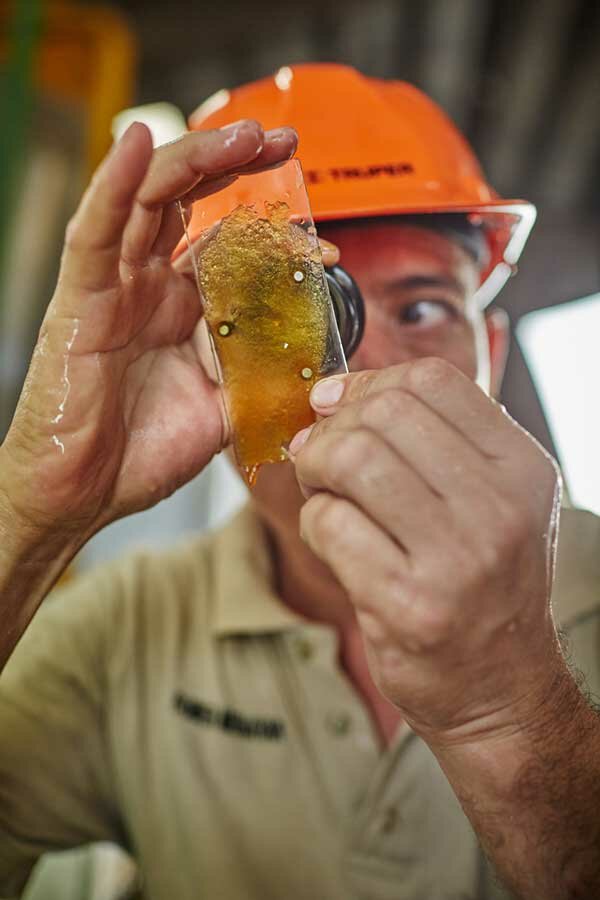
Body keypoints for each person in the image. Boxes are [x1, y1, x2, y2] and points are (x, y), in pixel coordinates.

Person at [0, 63, 599, 900]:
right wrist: (30, 514)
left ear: (491, 356)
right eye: (298, 309)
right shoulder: (124, 631)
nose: (366, 370)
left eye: (423, 309)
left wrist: (513, 713)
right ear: (210, 357)